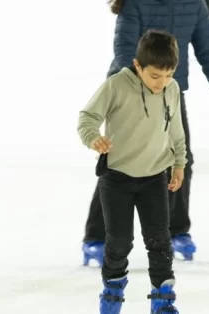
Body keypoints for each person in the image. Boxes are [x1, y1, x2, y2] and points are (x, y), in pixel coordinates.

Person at [81, 0, 209, 267]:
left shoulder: (193, 2)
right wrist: (137, 88)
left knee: (180, 160)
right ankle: (96, 236)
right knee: (119, 165)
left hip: (169, 93)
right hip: (128, 93)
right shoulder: (136, 0)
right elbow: (124, 47)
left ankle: (178, 230)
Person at [79, 30, 188, 314]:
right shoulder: (116, 86)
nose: (161, 83)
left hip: (154, 177)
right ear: (138, 66)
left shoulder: (172, 89)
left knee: (160, 240)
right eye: (154, 76)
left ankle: (163, 300)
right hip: (117, 179)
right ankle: (112, 292)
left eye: (168, 75)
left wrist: (179, 164)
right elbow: (87, 117)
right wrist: (94, 138)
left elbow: (176, 132)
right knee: (119, 241)